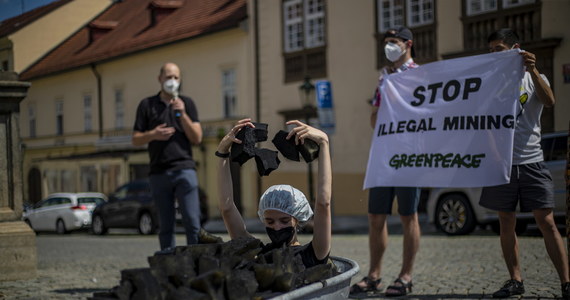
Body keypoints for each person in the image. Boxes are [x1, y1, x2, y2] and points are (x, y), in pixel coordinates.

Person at [479, 28, 569, 299]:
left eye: (499, 49)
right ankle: (515, 280)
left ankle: (566, 282)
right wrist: (494, 154)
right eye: (491, 50)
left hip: (532, 160)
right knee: (506, 222)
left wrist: (532, 70)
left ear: (515, 48)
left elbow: (550, 101)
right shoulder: (490, 81)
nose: (494, 54)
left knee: (547, 221)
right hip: (502, 164)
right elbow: (485, 123)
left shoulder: (534, 78)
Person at [349, 26, 421, 298]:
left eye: (394, 41)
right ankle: (374, 275)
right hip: (383, 155)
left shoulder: (420, 75)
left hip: (410, 155)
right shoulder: (384, 78)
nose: (389, 46)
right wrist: (382, 108)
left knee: (408, 215)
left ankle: (406, 275)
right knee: (375, 217)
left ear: (408, 44)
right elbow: (373, 119)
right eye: (386, 42)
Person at [215, 118, 331, 268]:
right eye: (270, 221)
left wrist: (324, 143)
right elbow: (227, 208)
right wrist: (222, 152)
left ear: (297, 220)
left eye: (284, 221)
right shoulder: (257, 252)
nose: (277, 227)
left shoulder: (313, 253)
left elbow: (323, 203)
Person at [132, 62, 203, 250]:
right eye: (168, 77)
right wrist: (153, 135)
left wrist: (182, 114)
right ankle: (167, 265)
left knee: (192, 221)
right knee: (165, 225)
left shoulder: (187, 103)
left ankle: (195, 263)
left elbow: (197, 137)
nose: (172, 81)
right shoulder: (147, 105)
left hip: (184, 170)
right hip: (159, 172)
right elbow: (136, 139)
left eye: (176, 77)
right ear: (160, 79)